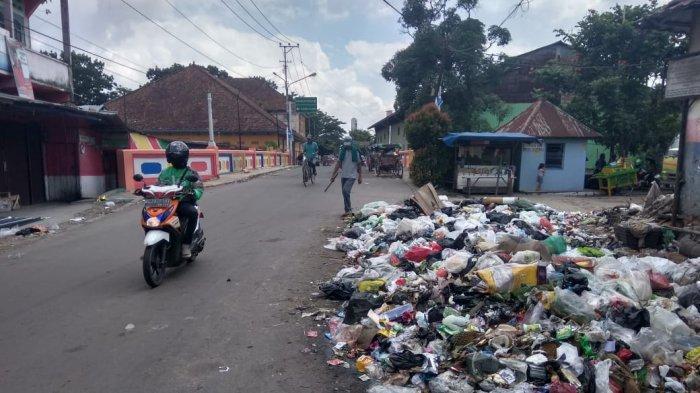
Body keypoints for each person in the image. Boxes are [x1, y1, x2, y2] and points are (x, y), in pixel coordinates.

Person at [157, 141, 203, 258]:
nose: (175, 160)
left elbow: (199, 188)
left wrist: (193, 194)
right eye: (172, 157)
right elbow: (158, 186)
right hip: (166, 203)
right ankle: (155, 245)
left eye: (177, 157)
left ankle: (186, 245)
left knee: (192, 213)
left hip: (183, 202)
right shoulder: (165, 173)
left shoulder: (191, 173)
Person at [331, 138, 362, 216]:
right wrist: (333, 175)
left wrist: (360, 176)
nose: (347, 147)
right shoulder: (342, 152)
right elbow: (338, 163)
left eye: (348, 145)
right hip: (344, 175)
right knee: (344, 193)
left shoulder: (356, 152)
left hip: (352, 176)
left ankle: (348, 209)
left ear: (351, 144)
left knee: (345, 191)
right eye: (346, 145)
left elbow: (359, 165)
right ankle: (347, 210)